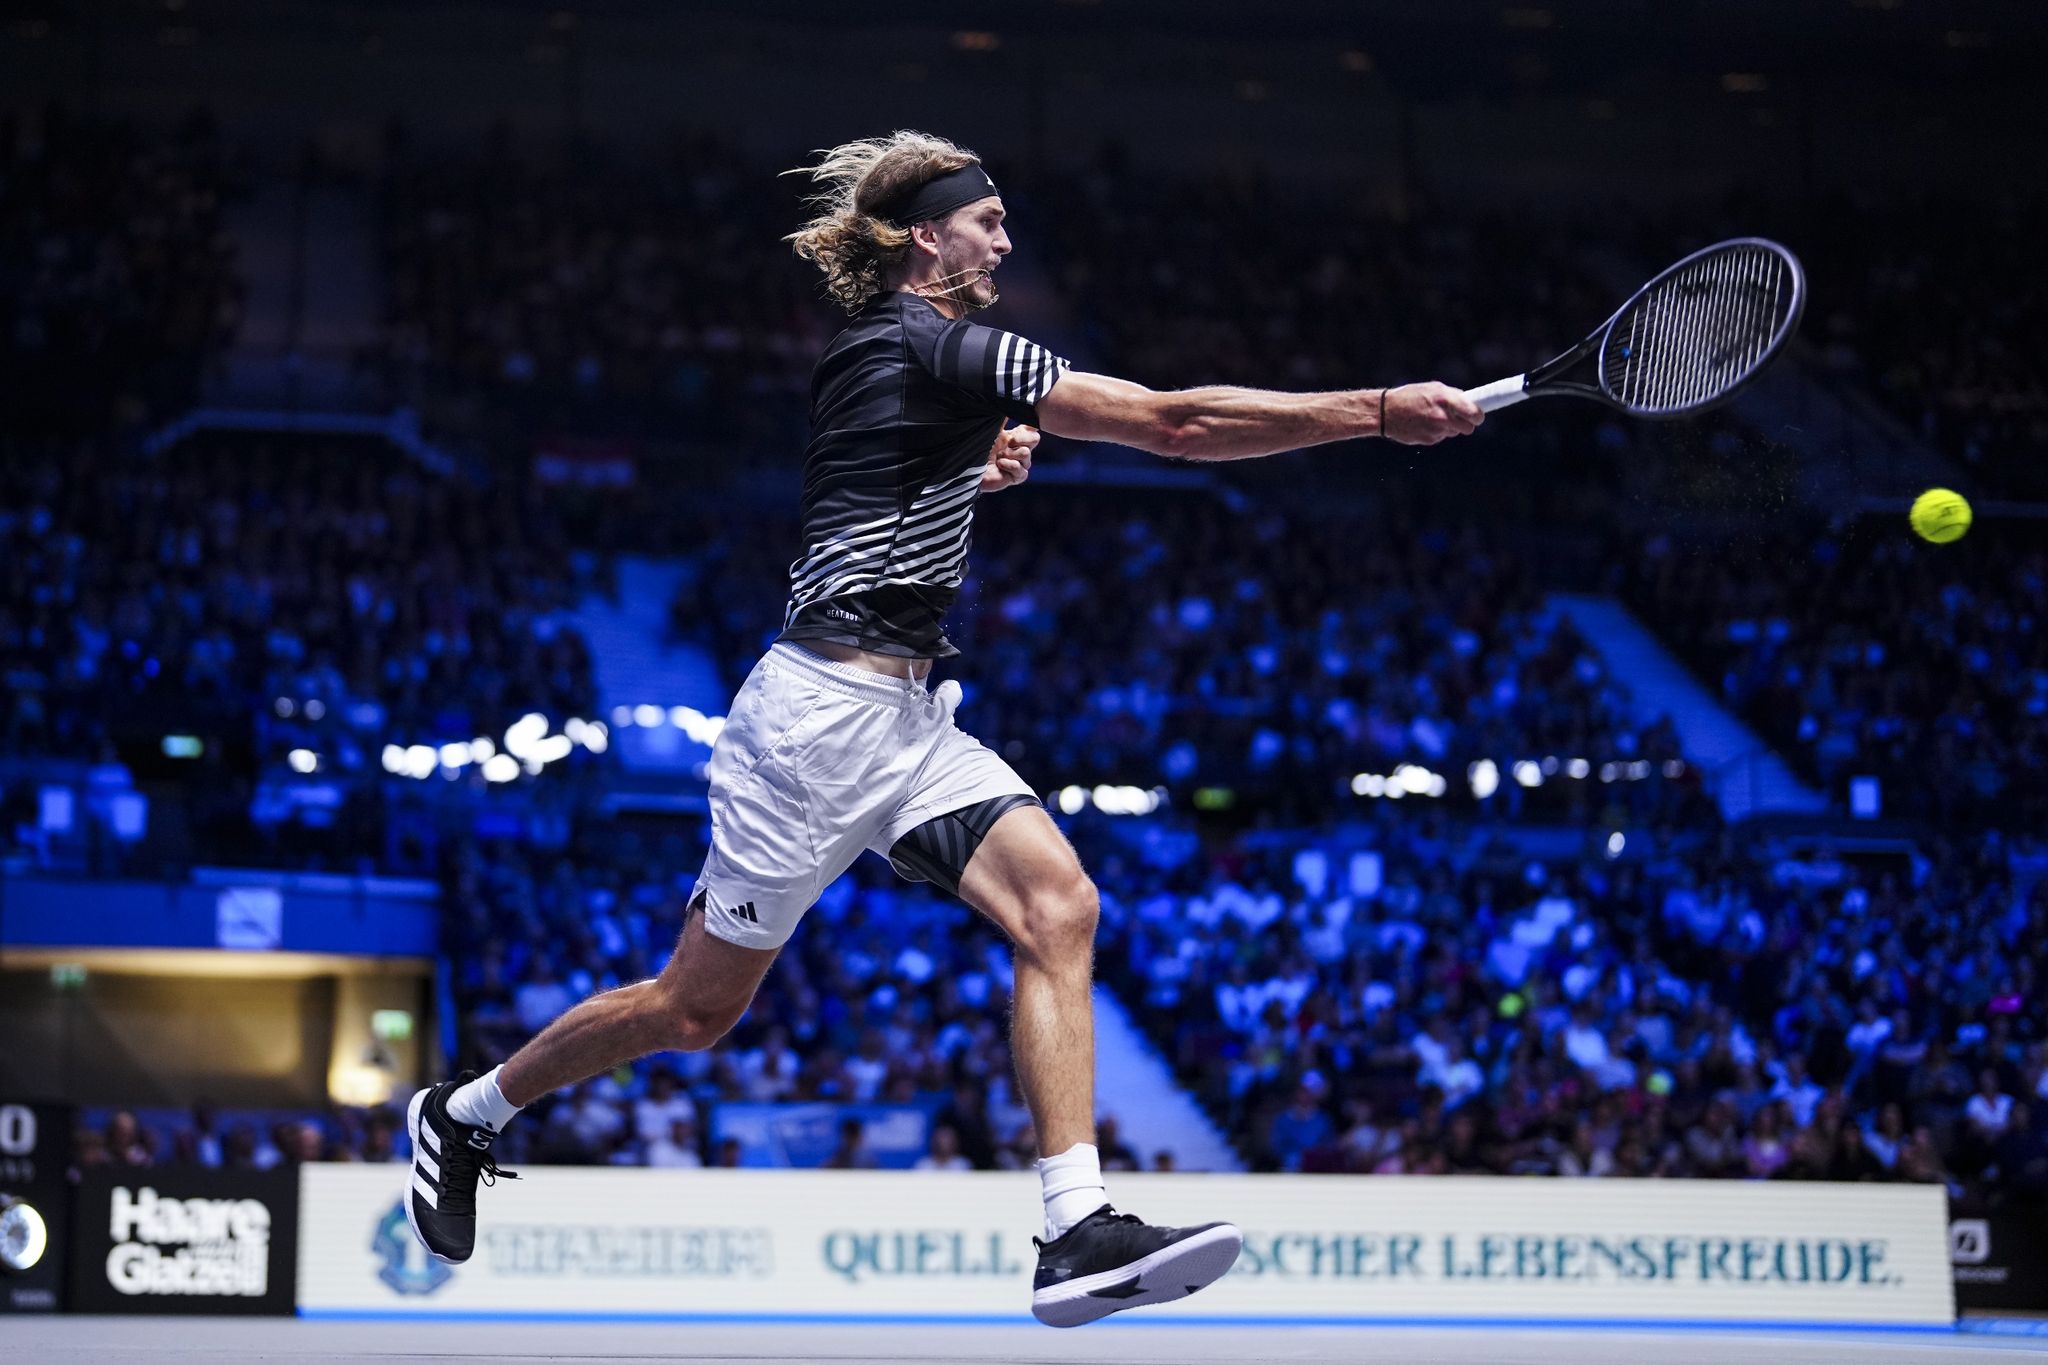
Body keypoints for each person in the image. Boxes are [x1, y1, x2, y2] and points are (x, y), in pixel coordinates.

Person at [404, 129, 1482, 1327]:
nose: (1005, 240)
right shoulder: (942, 341)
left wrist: (965, 474)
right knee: (695, 1013)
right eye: (988, 221)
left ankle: (1074, 1228)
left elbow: (867, 491)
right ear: (929, 237)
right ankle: (467, 1113)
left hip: (907, 718)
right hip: (811, 731)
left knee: (1059, 906)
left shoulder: (878, 353)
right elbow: (1170, 422)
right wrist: (1373, 412)